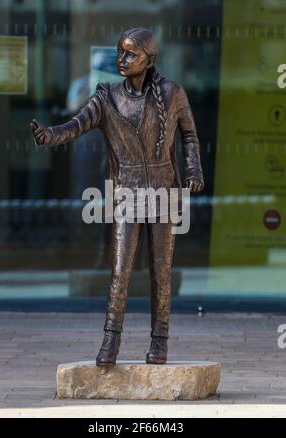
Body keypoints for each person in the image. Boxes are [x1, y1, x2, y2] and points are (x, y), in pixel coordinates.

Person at [31, 27, 204, 366]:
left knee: (161, 271)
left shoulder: (172, 93)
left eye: (130, 54)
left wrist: (194, 169)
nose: (121, 59)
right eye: (120, 52)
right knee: (121, 270)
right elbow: (76, 125)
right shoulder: (106, 96)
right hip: (126, 192)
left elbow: (191, 137)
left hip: (164, 192)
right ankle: (111, 340)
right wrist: (48, 135)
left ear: (149, 60)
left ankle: (160, 340)